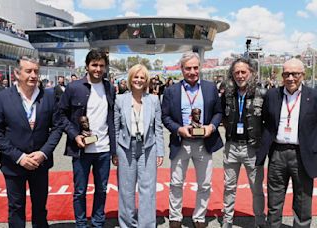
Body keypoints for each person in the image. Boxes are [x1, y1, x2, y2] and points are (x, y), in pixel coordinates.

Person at [0, 55, 62, 228]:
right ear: (17, 73)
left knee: (40, 208)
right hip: (13, 164)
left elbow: (57, 128)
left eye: (36, 71)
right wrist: (19, 157)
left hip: (40, 163)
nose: (33, 75)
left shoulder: (49, 97)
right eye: (28, 71)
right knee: (16, 208)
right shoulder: (3, 98)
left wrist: (43, 153)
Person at [161, 51, 223, 228]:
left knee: (204, 183)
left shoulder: (210, 88)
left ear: (200, 68)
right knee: (176, 183)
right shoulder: (171, 91)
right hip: (181, 143)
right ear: (181, 69)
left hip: (205, 143)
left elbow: (218, 112)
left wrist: (211, 127)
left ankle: (199, 217)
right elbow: (165, 117)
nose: (193, 71)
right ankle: (175, 216)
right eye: (188, 68)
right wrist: (179, 129)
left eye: (196, 67)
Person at [57, 49, 116, 228]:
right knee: (80, 191)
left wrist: (114, 150)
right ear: (87, 66)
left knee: (101, 190)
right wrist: (75, 136)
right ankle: (81, 224)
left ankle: (98, 223)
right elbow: (60, 115)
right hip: (81, 149)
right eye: (94, 65)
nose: (98, 69)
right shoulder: (74, 87)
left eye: (101, 66)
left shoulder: (110, 88)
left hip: (104, 150)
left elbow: (112, 120)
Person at [256, 58, 317, 228]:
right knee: (274, 199)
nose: (290, 78)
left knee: (303, 200)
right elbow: (266, 121)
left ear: (303, 75)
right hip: (278, 153)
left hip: (302, 153)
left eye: (295, 74)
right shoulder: (272, 95)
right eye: (286, 74)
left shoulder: (313, 96)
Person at [113, 64, 164, 227]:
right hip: (125, 148)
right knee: (126, 190)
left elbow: (158, 128)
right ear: (130, 79)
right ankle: (127, 224)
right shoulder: (120, 99)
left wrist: (160, 152)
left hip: (148, 148)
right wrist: (114, 152)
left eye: (142, 77)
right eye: (136, 77)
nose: (139, 80)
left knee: (147, 190)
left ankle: (147, 224)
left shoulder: (154, 100)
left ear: (147, 80)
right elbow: (115, 128)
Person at [221, 58, 267, 228]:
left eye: (243, 72)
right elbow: (223, 118)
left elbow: (267, 120)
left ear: (251, 73)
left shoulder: (262, 93)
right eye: (236, 72)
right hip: (231, 146)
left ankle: (260, 220)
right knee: (229, 186)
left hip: (252, 148)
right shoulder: (228, 94)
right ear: (232, 75)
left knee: (256, 188)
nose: (240, 76)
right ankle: (227, 220)